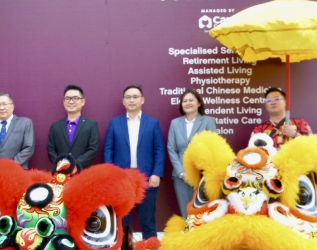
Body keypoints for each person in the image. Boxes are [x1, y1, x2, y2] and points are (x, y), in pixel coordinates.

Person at [103, 85, 165, 239]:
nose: (132, 100)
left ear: (142, 100)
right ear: (123, 101)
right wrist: (111, 175)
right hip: (122, 179)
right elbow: (108, 150)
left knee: (148, 220)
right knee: (122, 220)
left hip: (146, 178)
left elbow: (159, 150)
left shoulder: (152, 123)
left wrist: (157, 173)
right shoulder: (115, 123)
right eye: (128, 97)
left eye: (135, 96)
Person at [167, 89, 217, 215]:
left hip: (202, 175)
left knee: (202, 213)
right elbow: (171, 149)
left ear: (199, 103)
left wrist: (200, 173)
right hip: (181, 176)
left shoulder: (208, 121)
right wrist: (181, 173)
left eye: (191, 100)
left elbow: (213, 147)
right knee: (186, 213)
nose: (188, 103)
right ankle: (188, 235)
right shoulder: (175, 123)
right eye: (185, 101)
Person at [46, 85, 101, 168]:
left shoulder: (91, 125)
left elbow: (93, 149)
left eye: (75, 98)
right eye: (67, 98)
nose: (71, 102)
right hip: (60, 174)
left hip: (83, 171)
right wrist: (61, 165)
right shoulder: (55, 126)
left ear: (83, 101)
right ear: (63, 101)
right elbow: (51, 150)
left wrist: (75, 165)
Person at [0, 92, 35, 169]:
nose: (1, 108)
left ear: (12, 106)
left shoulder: (25, 123)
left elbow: (28, 148)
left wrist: (10, 166)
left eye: (4, 104)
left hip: (17, 172)